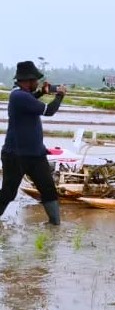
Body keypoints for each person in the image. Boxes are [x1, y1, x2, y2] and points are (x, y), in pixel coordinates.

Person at [0, 61, 67, 225]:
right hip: (16, 156)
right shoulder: (19, 96)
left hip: (36, 155)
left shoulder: (20, 95)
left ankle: (54, 225)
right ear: (28, 81)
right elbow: (49, 111)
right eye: (36, 80)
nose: (37, 82)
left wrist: (41, 93)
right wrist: (60, 95)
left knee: (48, 190)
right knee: (9, 193)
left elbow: (30, 100)